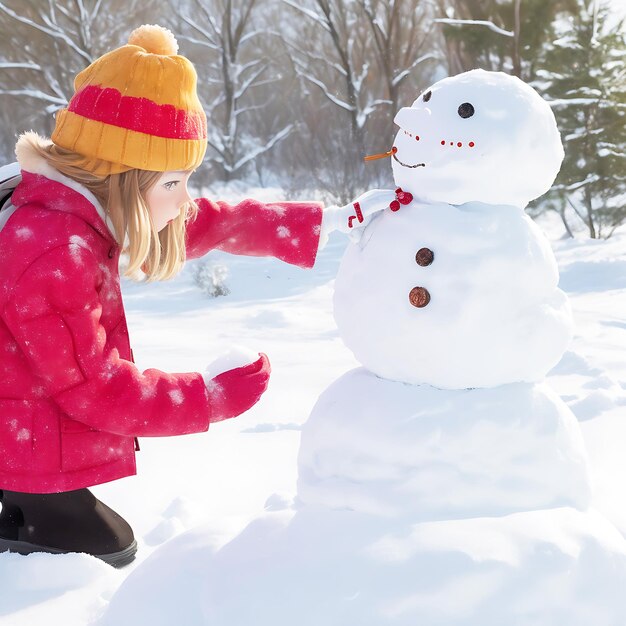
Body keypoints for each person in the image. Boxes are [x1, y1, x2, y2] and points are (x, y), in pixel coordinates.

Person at [0, 24, 394, 567]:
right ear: (122, 178)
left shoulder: (70, 209)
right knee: (106, 552)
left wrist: (318, 223)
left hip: (26, 432)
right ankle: (27, 523)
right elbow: (95, 388)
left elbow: (201, 222)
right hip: (24, 444)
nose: (183, 200)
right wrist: (209, 397)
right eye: (172, 183)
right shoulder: (55, 251)